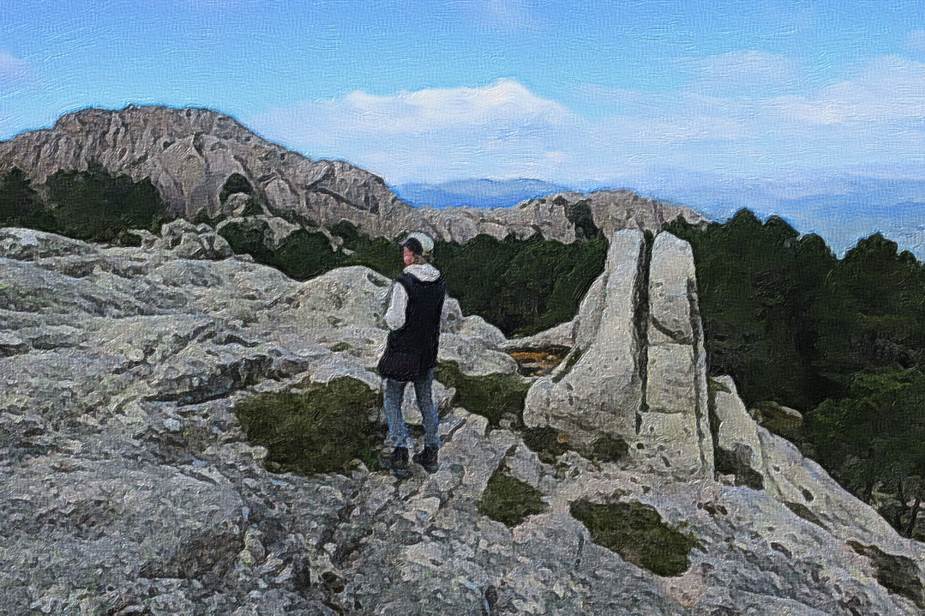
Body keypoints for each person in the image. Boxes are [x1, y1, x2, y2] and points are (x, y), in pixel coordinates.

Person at [376, 232, 446, 473]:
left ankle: (400, 450)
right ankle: (431, 450)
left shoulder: (404, 283)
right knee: (425, 400)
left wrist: (384, 317)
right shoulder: (438, 280)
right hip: (427, 350)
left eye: (406, 250)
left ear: (414, 254)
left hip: (403, 351)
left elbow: (396, 320)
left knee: (392, 398)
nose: (403, 253)